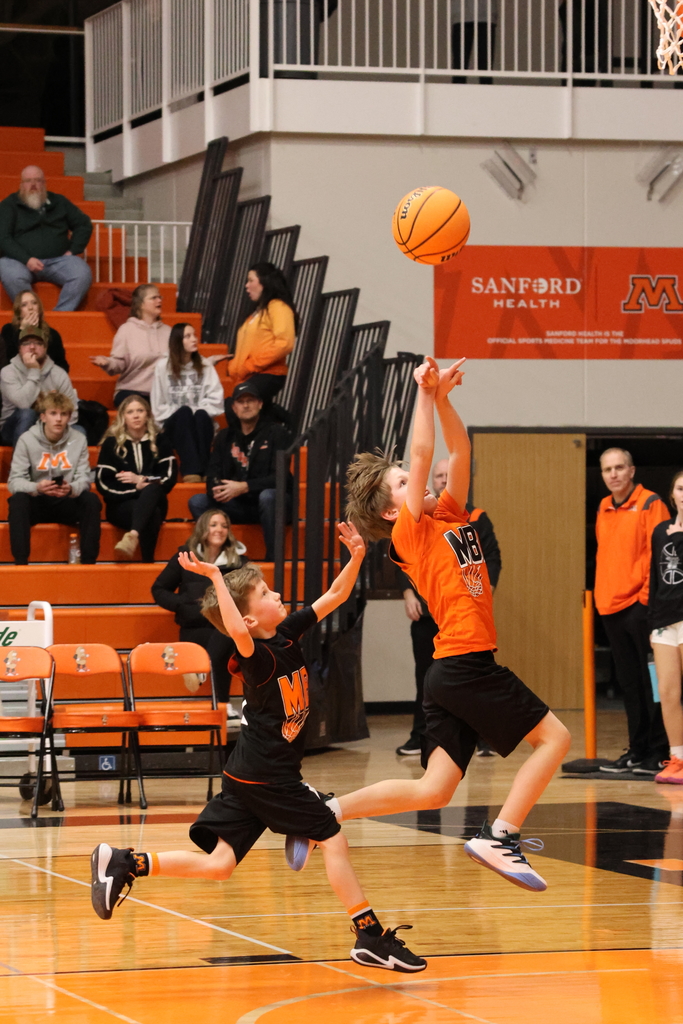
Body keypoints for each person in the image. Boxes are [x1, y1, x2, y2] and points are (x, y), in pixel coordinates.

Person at [287, 356, 571, 892]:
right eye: (403, 483)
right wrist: (421, 391)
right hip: (464, 663)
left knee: (434, 790)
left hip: (452, 668)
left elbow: (457, 451)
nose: (417, 476)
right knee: (555, 739)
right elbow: (421, 453)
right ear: (393, 510)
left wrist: (444, 400)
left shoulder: (450, 513)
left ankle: (323, 811)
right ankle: (501, 836)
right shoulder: (408, 535)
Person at [89, 526, 427, 975]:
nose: (277, 592)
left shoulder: (286, 633)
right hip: (270, 777)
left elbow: (336, 595)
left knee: (220, 865)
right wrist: (214, 577)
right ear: (249, 620)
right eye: (266, 592)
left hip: (248, 774)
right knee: (333, 837)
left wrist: (359, 556)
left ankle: (128, 861)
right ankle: (368, 934)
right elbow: (233, 627)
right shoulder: (258, 657)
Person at [396, 456, 502, 757]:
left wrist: (483, 588)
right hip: (430, 613)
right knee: (427, 677)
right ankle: (422, 736)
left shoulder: (472, 517)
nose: (443, 479)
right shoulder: (411, 523)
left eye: (447, 474)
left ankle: (482, 737)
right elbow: (402, 565)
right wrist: (407, 592)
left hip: (466, 618)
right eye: (438, 475)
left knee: (478, 678)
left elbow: (491, 557)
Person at [595, 448, 670, 776]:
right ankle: (637, 749)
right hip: (610, 608)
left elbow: (661, 557)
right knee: (628, 683)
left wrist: (644, 600)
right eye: (607, 469)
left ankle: (659, 751)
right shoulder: (603, 506)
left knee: (652, 681)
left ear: (632, 470)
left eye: (619, 467)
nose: (613, 474)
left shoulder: (652, 504)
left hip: (640, 608)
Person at [151, 509, 248, 714]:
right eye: (214, 525)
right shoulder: (185, 557)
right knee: (224, 638)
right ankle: (223, 704)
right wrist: (182, 604)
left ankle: (206, 679)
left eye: (224, 526)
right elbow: (159, 589)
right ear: (203, 528)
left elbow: (248, 594)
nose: (219, 530)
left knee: (227, 633)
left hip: (223, 627)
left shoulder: (239, 562)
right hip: (194, 626)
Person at [189, 379, 292, 561]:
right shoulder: (224, 437)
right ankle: (225, 555)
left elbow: (282, 478)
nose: (246, 405)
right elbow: (212, 473)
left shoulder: (277, 433)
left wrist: (244, 486)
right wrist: (218, 490)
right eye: (241, 401)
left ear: (260, 404)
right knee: (197, 501)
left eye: (250, 400)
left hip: (271, 504)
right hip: (237, 504)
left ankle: (274, 559)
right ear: (234, 407)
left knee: (268, 496)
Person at [7, 391, 101, 565]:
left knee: (91, 500)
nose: (58, 419)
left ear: (69, 417)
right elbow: (14, 481)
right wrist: (36, 487)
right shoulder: (27, 440)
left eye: (63, 414)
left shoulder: (79, 439)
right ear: (43, 417)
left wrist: (72, 488)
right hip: (38, 500)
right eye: (53, 413)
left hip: (66, 500)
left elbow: (84, 478)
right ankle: (20, 562)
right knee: (18, 500)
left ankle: (89, 563)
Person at [95, 396, 177, 561]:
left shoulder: (160, 441)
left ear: (147, 415)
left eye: (140, 411)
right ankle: (148, 563)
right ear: (123, 417)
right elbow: (103, 483)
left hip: (156, 499)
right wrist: (135, 489)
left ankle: (132, 535)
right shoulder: (111, 444)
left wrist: (141, 479)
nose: (136, 415)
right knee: (151, 512)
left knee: (152, 489)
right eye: (130, 412)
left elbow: (168, 477)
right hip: (121, 505)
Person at [0, 165, 92, 311]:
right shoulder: (9, 205)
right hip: (19, 262)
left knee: (82, 273)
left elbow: (83, 224)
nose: (33, 185)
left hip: (58, 261)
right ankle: (32, 315)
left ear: (44, 183)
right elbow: (3, 237)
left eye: (38, 180)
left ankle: (60, 315)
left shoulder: (59, 201)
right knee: (8, 272)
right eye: (28, 181)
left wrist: (73, 250)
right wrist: (27, 259)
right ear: (21, 184)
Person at [151, 322, 224, 483]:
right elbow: (158, 404)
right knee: (184, 413)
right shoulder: (163, 367)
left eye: (195, 335)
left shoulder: (205, 365)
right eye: (188, 336)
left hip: (200, 422)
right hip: (172, 424)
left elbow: (216, 400)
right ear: (177, 341)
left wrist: (196, 411)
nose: (194, 339)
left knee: (201, 415)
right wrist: (186, 412)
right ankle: (191, 469)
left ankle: (204, 469)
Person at [648, 469, 683, 785]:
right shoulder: (660, 531)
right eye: (681, 489)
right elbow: (656, 577)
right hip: (663, 623)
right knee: (668, 692)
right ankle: (677, 758)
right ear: (672, 494)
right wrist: (653, 622)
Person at [224, 262, 297, 412]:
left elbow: (285, 343)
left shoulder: (278, 307)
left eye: (251, 280)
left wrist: (249, 366)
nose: (246, 286)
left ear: (265, 282)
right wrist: (233, 367)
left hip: (266, 373)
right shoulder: (257, 311)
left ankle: (277, 417)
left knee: (234, 408)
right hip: (248, 375)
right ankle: (274, 417)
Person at [90, 284, 170, 407]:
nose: (159, 300)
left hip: (162, 393)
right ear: (141, 304)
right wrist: (107, 363)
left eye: (160, 297)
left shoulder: (169, 332)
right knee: (138, 407)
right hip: (132, 390)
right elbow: (119, 363)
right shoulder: (127, 329)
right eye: (154, 298)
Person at [0, 327, 81, 446]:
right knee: (27, 414)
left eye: (38, 343)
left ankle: (59, 463)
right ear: (19, 349)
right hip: (13, 428)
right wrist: (34, 371)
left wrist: (52, 430)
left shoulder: (58, 374)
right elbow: (24, 403)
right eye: (26, 343)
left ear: (45, 347)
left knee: (80, 432)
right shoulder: (8, 372)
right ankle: (21, 464)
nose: (32, 347)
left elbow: (72, 411)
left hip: (49, 426)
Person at [1, 289, 69, 371]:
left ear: (39, 308)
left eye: (34, 303)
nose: (30, 308)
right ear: (18, 311)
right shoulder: (8, 330)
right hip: (16, 378)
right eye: (24, 305)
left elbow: (62, 366)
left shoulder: (52, 334)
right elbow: (8, 360)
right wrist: (22, 330)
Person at [452, 1, 498, 84]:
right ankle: (457, 92)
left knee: (485, 66)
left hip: (485, 14)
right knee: (459, 66)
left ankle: (487, 92)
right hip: (461, 14)